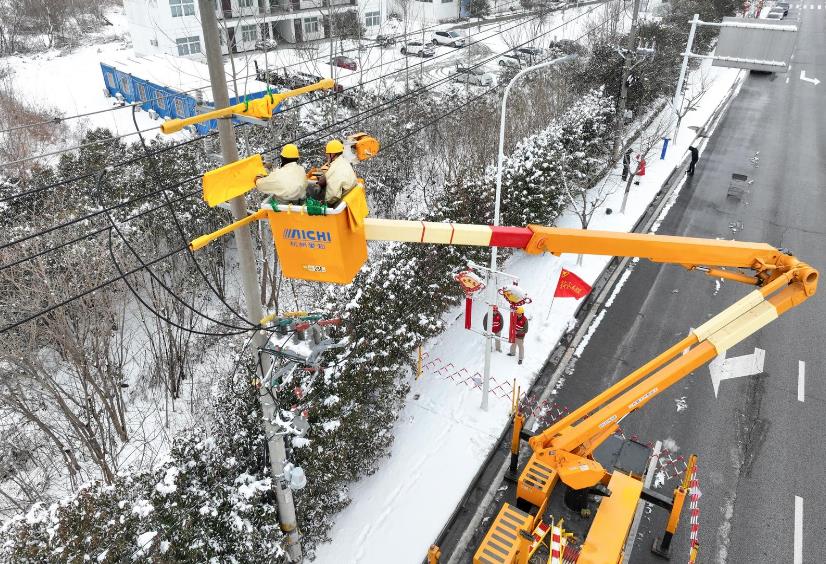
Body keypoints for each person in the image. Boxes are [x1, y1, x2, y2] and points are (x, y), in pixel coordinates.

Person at [316, 139, 358, 205]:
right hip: (345, 197)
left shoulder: (336, 169)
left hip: (337, 204)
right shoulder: (343, 162)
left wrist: (323, 203)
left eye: (327, 153)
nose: (326, 155)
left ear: (332, 154)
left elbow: (333, 195)